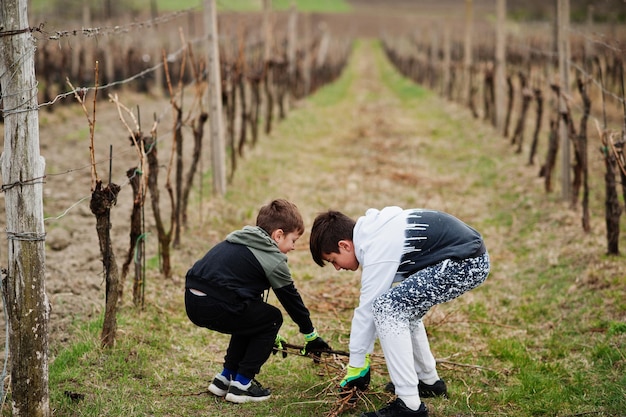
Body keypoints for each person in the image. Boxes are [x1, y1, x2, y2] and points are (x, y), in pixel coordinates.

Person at [309, 206, 490, 417]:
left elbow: (367, 310)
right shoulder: (374, 234)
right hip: (465, 259)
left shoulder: (377, 246)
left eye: (333, 260)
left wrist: (357, 366)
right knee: (402, 309)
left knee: (388, 309)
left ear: (344, 245)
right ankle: (428, 381)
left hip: (466, 263)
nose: (337, 268)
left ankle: (409, 405)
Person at [185, 199, 331, 404]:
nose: (293, 247)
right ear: (278, 235)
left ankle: (224, 378)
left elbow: (246, 304)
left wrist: (263, 339)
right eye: (294, 240)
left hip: (193, 302)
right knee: (272, 318)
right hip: (217, 303)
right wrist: (311, 335)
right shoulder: (272, 257)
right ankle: (242, 384)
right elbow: (291, 300)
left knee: (250, 315)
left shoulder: (239, 240)